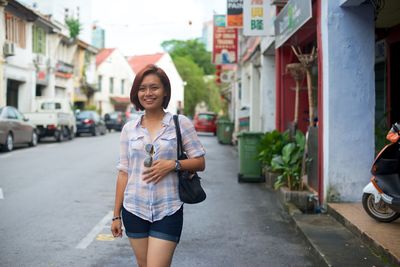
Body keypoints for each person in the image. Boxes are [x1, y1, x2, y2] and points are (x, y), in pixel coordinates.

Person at [111, 64, 206, 267]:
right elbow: (123, 173)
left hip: (168, 208)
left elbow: (200, 162)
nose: (148, 93)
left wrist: (173, 164)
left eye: (154, 87)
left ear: (165, 92)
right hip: (134, 208)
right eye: (142, 88)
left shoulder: (180, 123)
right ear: (137, 94)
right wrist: (115, 216)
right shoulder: (129, 129)